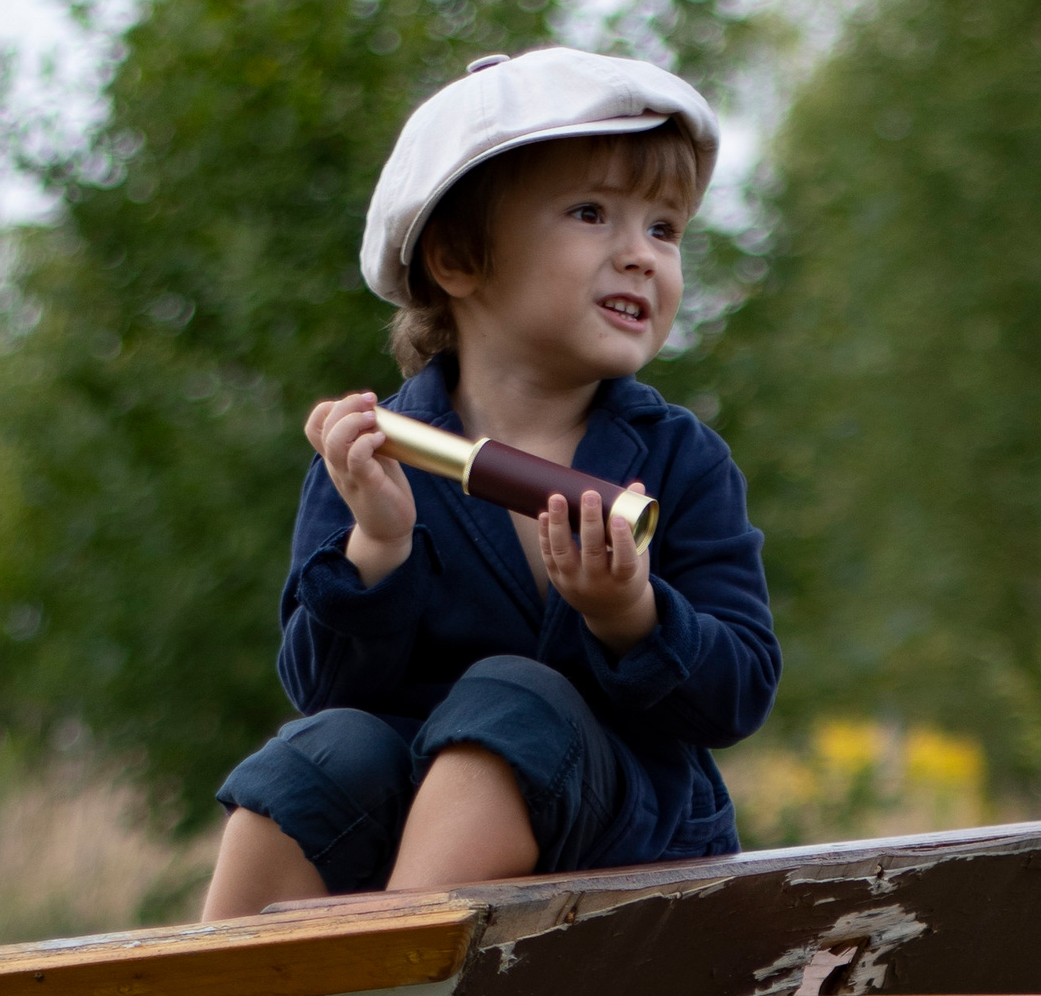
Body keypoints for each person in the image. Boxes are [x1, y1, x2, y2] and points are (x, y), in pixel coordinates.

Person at [202, 47, 778, 918]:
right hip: (410, 827)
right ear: (459, 259)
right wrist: (379, 546)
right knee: (316, 754)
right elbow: (325, 689)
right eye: (592, 214)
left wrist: (631, 615)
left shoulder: (681, 458)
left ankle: (399, 963)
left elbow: (740, 691)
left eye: (664, 230)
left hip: (630, 847)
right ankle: (215, 992)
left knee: (511, 699)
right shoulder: (379, 456)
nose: (641, 256)